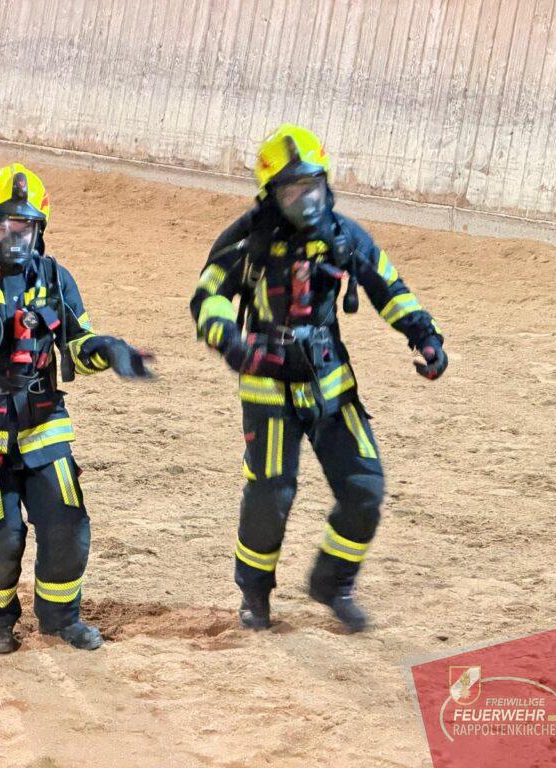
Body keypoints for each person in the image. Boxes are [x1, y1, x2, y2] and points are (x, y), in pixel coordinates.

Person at [190, 124, 448, 632]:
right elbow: (208, 296)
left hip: (331, 384)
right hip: (267, 387)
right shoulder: (247, 242)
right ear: (271, 195)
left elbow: (388, 286)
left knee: (365, 488)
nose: (306, 201)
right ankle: (255, 595)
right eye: (292, 192)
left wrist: (425, 336)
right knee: (271, 495)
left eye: (312, 188)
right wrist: (233, 342)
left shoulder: (344, 236)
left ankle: (333, 584)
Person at [0, 163, 154, 654]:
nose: (14, 237)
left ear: (38, 230)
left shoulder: (55, 279)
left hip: (43, 423)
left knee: (68, 526)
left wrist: (107, 349)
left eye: (24, 228)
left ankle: (61, 619)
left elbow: (77, 346)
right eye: (4, 226)